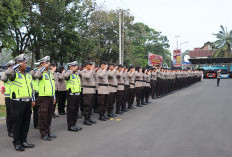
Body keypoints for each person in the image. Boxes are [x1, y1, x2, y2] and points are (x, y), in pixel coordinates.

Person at [5, 54, 35, 151]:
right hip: (17, 102)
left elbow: (31, 88)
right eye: (23, 63)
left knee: (26, 122)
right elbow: (7, 73)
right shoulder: (14, 74)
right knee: (18, 123)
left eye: (25, 63)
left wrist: (32, 99)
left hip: (27, 102)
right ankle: (17, 142)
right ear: (18, 64)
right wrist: (17, 65)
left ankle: (24, 140)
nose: (25, 64)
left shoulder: (28, 75)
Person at [34, 56, 57, 141]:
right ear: (42, 64)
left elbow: (52, 86)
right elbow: (36, 75)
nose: (48, 64)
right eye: (46, 62)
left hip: (50, 97)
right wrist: (43, 67)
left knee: (49, 116)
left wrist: (54, 97)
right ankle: (43, 134)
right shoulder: (40, 72)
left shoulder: (50, 73)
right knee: (43, 116)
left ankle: (48, 132)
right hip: (43, 97)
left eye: (48, 62)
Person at [64, 61, 83, 131]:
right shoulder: (68, 73)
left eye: (76, 66)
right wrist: (71, 70)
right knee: (71, 111)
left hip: (77, 94)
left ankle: (74, 124)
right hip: (71, 95)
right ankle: (70, 125)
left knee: (76, 111)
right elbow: (65, 76)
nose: (76, 67)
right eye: (74, 66)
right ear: (70, 67)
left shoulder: (76, 75)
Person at [79, 61, 97, 125]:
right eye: (90, 65)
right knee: (87, 105)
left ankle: (89, 118)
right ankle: (86, 119)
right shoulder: (83, 71)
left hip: (92, 90)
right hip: (87, 90)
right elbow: (87, 76)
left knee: (91, 105)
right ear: (86, 65)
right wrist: (91, 70)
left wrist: (94, 70)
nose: (91, 66)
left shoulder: (91, 71)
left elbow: (96, 77)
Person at [1, 60, 15, 137]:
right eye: (12, 66)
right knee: (10, 115)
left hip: (15, 97)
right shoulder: (5, 74)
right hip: (8, 97)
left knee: (15, 114)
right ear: (9, 66)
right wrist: (7, 71)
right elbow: (3, 78)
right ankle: (10, 130)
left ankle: (14, 128)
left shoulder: (15, 73)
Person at [30, 62, 41, 129]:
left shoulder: (40, 73)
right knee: (36, 110)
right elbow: (31, 74)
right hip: (35, 93)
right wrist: (35, 69)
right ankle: (36, 124)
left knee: (40, 110)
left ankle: (39, 123)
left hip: (40, 93)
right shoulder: (33, 72)